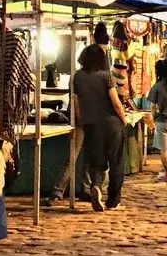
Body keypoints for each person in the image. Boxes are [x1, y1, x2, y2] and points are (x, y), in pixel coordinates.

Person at [47, 44, 128, 211]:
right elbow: (115, 102)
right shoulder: (107, 77)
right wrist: (124, 119)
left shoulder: (77, 77)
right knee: (116, 162)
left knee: (96, 161)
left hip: (90, 124)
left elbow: (75, 103)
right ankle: (113, 201)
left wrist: (81, 120)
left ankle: (95, 186)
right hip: (112, 124)